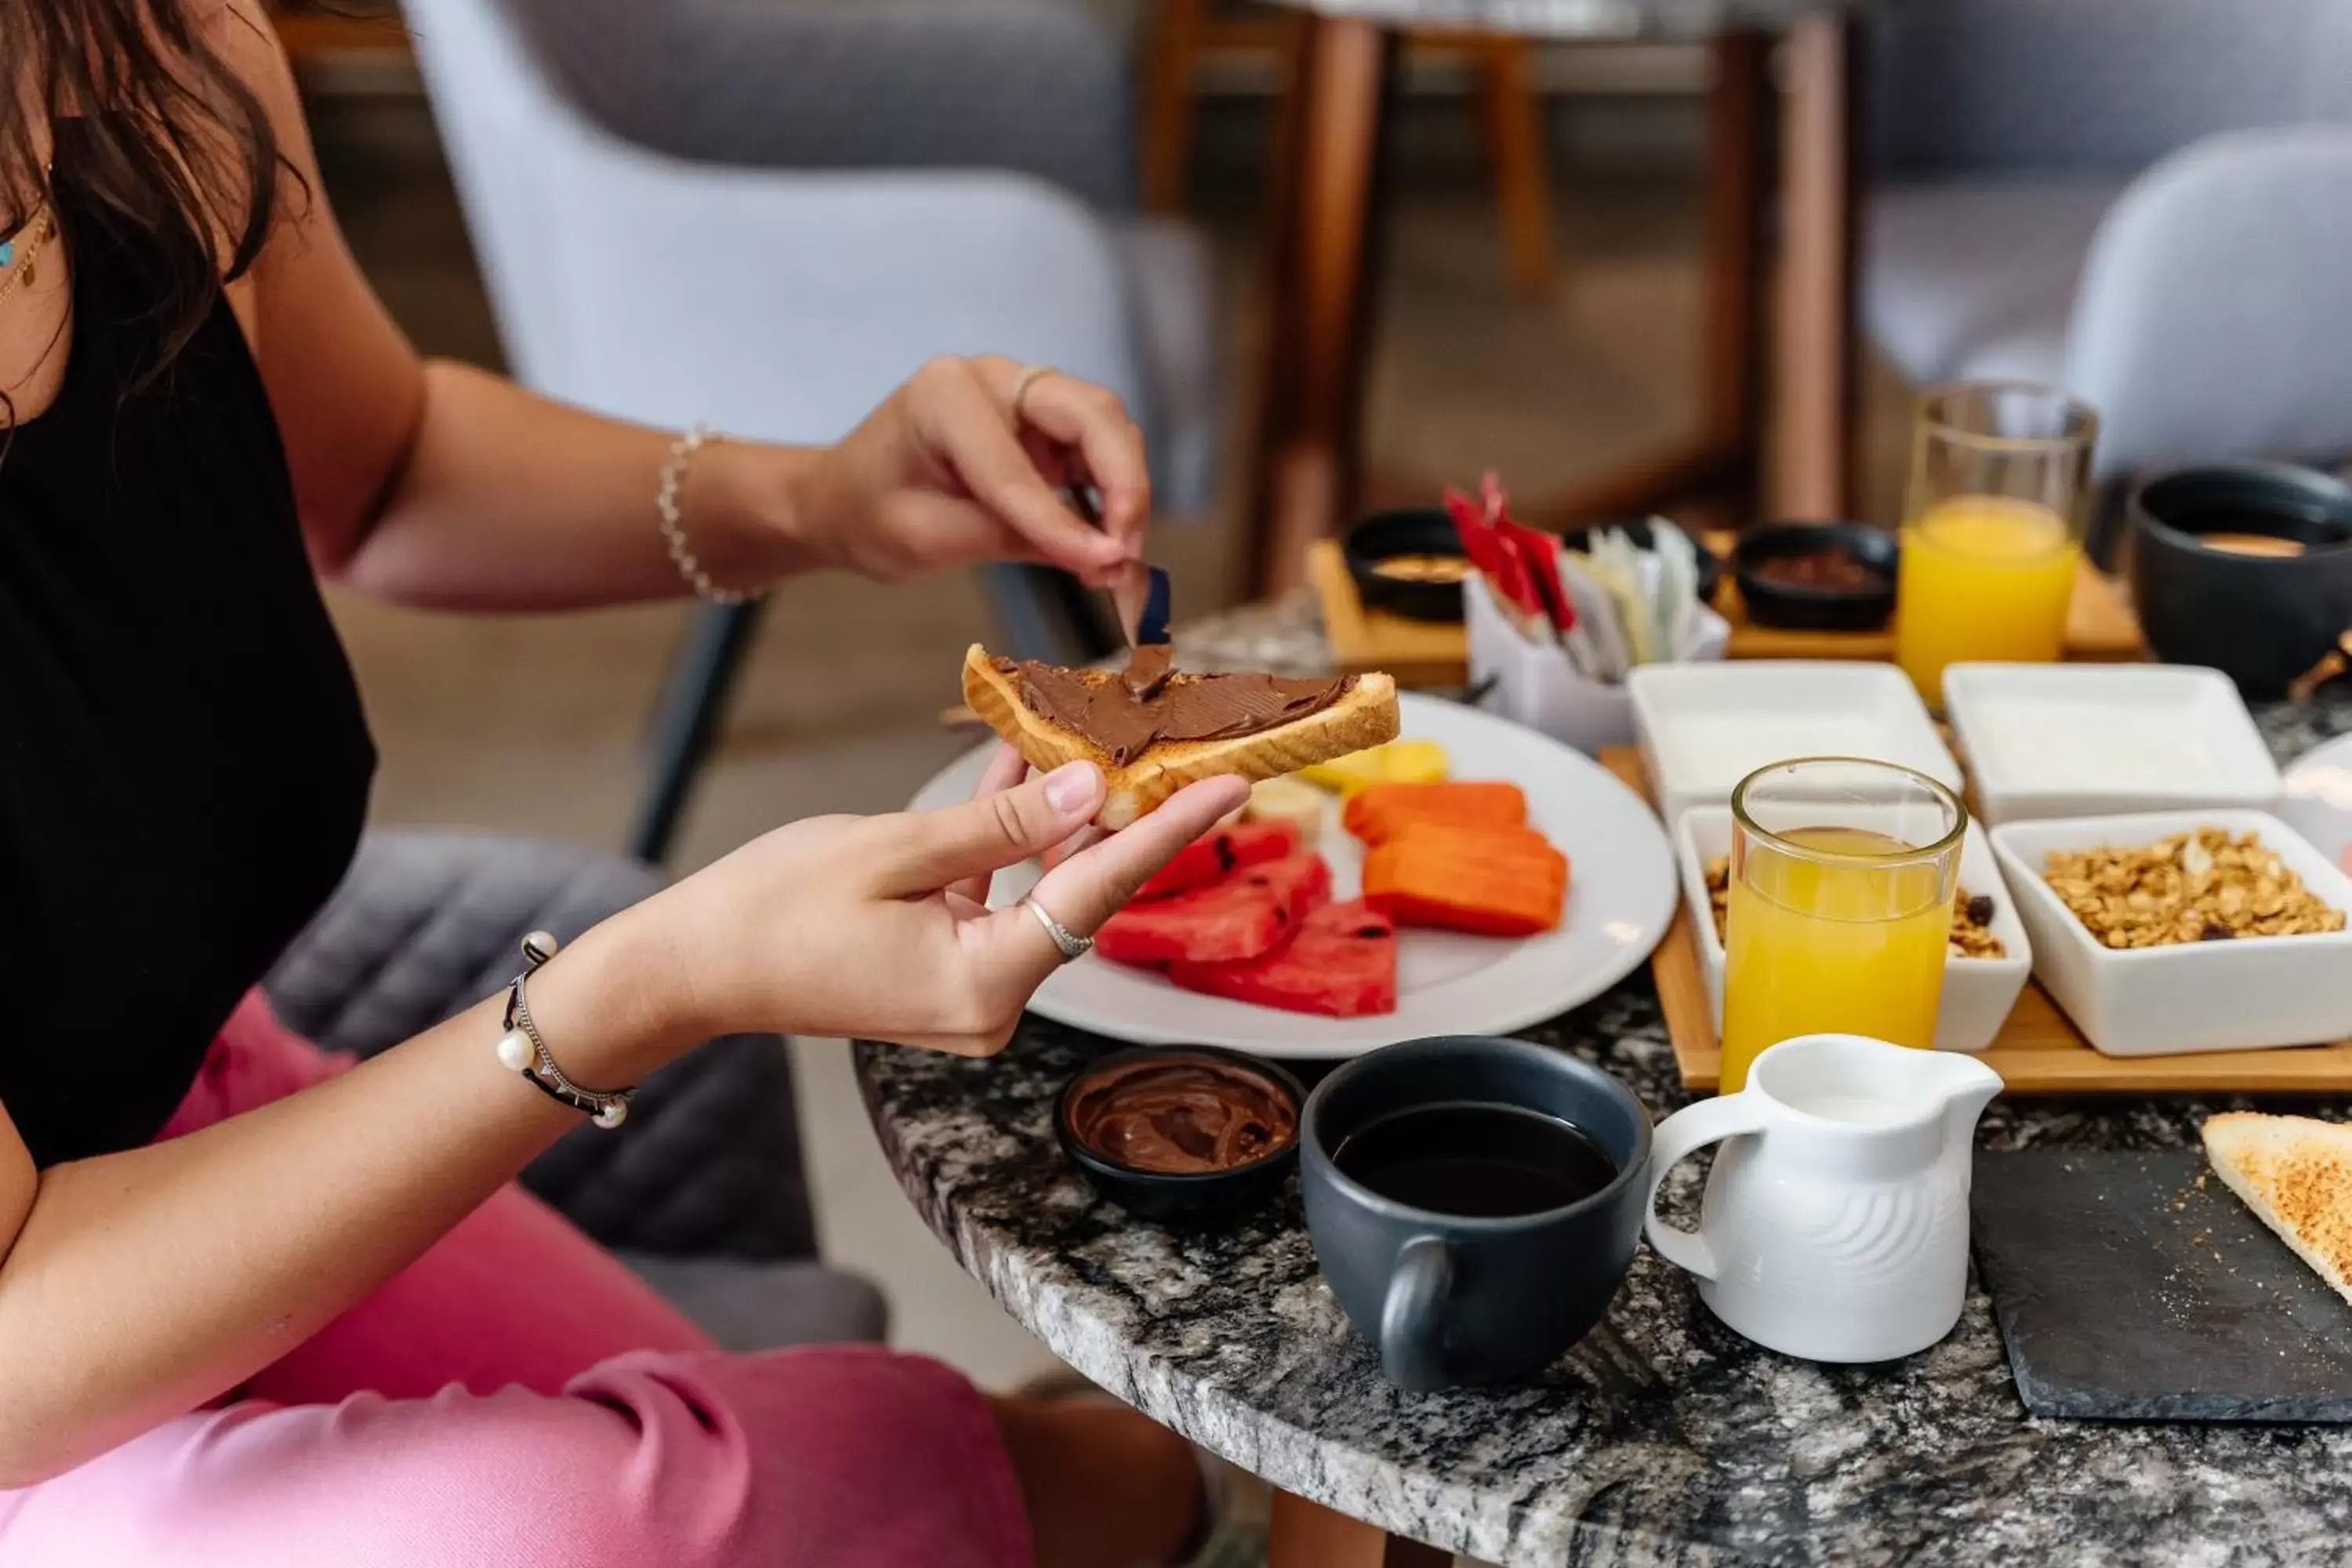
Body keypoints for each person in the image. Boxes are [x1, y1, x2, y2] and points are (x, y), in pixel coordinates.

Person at [0, 3, 1256, 1564]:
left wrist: (816, 498)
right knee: (581, 1524)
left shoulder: (155, 64)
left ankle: (1170, 1500)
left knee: (851, 1456)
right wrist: (642, 987)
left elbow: (383, 473)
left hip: (180, 1136)